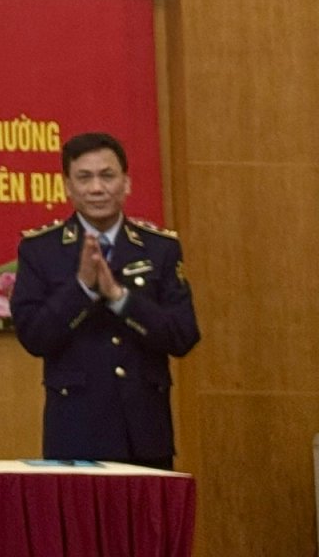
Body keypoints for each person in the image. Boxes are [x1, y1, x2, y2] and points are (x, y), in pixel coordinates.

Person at [10, 131, 199, 468]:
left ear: (126, 183)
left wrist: (120, 298)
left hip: (145, 433)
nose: (97, 188)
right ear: (68, 187)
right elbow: (34, 337)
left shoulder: (160, 248)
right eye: (84, 178)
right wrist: (82, 288)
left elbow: (183, 336)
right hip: (75, 433)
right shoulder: (40, 249)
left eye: (107, 176)